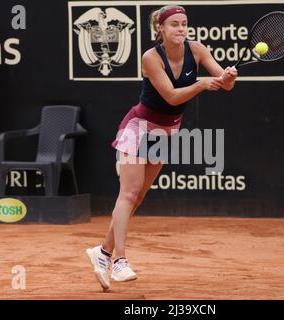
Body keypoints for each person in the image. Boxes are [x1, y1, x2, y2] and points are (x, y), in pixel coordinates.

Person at [86, 5, 238, 291]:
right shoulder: (150, 57)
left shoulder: (198, 50)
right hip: (138, 127)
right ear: (161, 30)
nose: (181, 29)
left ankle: (102, 252)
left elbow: (225, 84)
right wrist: (202, 84)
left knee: (139, 195)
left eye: (184, 24)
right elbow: (170, 96)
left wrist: (227, 78)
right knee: (129, 192)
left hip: (166, 131)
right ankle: (119, 260)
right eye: (175, 25)